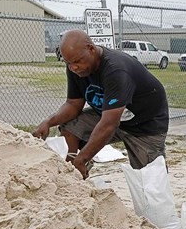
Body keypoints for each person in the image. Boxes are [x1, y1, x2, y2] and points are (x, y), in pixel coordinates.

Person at [33, 30, 169, 179]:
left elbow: (109, 124)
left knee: (151, 181)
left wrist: (83, 157)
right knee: (69, 124)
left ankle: (82, 161)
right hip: (111, 117)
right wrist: (49, 122)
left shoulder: (116, 70)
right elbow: (73, 104)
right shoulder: (75, 66)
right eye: (68, 63)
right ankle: (74, 169)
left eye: (77, 61)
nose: (73, 68)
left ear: (91, 49)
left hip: (145, 125)